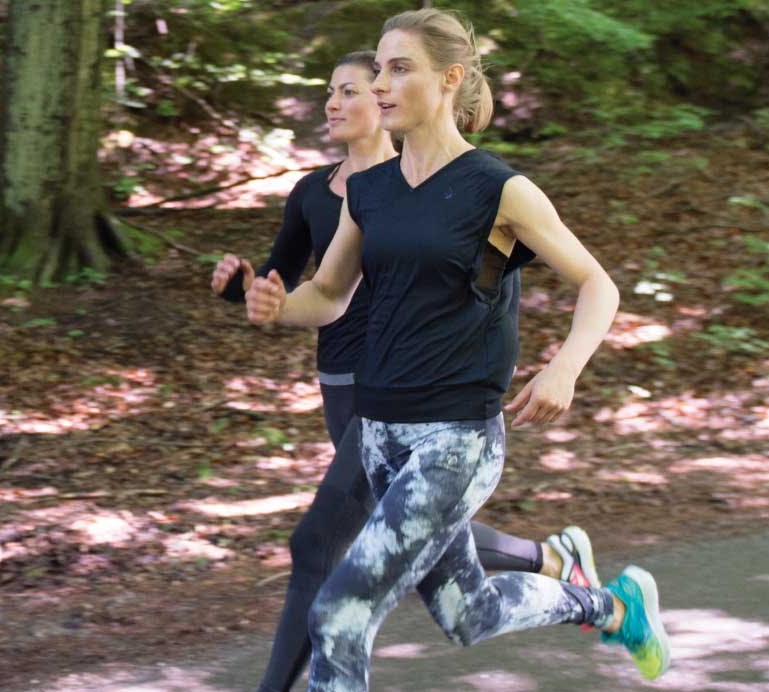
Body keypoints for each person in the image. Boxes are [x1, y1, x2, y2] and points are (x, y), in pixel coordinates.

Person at [245, 10, 671, 691]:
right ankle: (614, 607)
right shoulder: (370, 189)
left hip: (458, 439)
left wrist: (564, 366)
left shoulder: (497, 189)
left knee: (340, 612)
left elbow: (598, 285)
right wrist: (278, 305)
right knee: (466, 613)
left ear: (449, 80)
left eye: (399, 68)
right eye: (378, 68)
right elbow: (328, 294)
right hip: (378, 434)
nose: (380, 83)